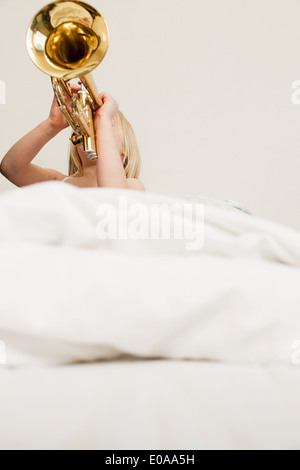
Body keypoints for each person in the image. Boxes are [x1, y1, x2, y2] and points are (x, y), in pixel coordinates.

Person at [0, 87, 146, 191]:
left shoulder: (132, 185)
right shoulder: (59, 182)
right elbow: (11, 168)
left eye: (107, 123)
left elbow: (114, 198)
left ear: (125, 150)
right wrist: (52, 124)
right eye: (89, 121)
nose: (93, 125)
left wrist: (104, 119)